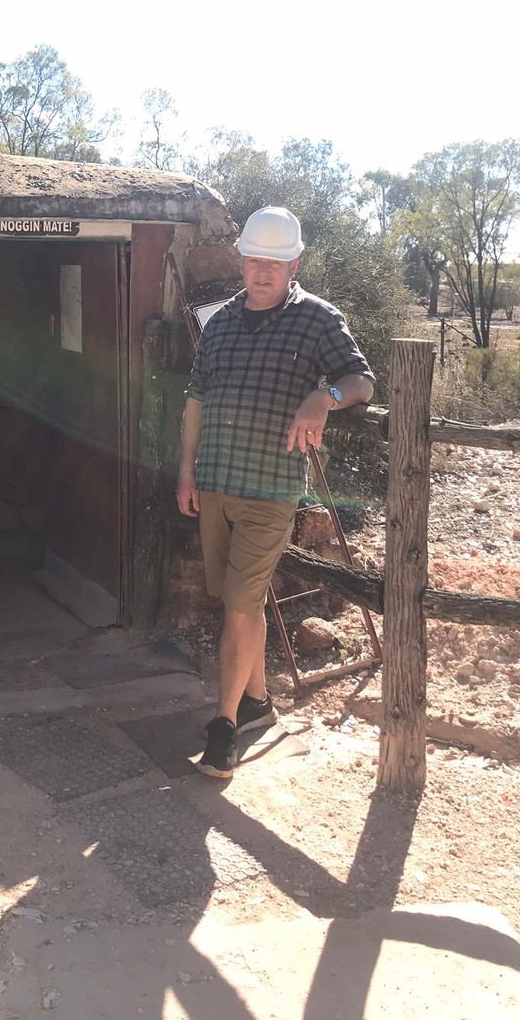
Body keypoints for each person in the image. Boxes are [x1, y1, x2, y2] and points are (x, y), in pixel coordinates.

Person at [176, 206, 374, 778]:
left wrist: (324, 398)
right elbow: (196, 399)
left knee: (239, 606)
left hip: (270, 487)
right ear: (241, 259)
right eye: (255, 259)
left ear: (295, 263)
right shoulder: (221, 324)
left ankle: (224, 726)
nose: (263, 272)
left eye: (276, 262)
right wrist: (187, 469)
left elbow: (361, 380)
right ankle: (260, 703)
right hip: (215, 479)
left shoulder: (318, 320)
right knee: (239, 600)